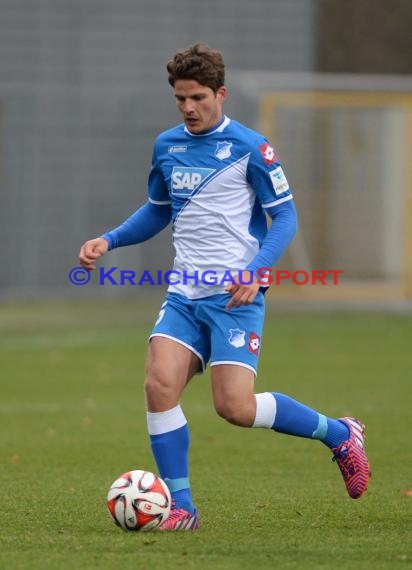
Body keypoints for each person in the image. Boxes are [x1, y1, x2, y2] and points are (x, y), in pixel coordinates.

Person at [79, 43, 370, 531]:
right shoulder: (167, 145)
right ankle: (183, 508)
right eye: (180, 99)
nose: (188, 108)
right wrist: (109, 240)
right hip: (183, 294)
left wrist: (256, 270)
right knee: (159, 384)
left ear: (221, 93)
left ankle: (340, 433)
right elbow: (157, 209)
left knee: (233, 407)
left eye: (197, 97)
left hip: (236, 296)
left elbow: (285, 217)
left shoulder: (251, 147)